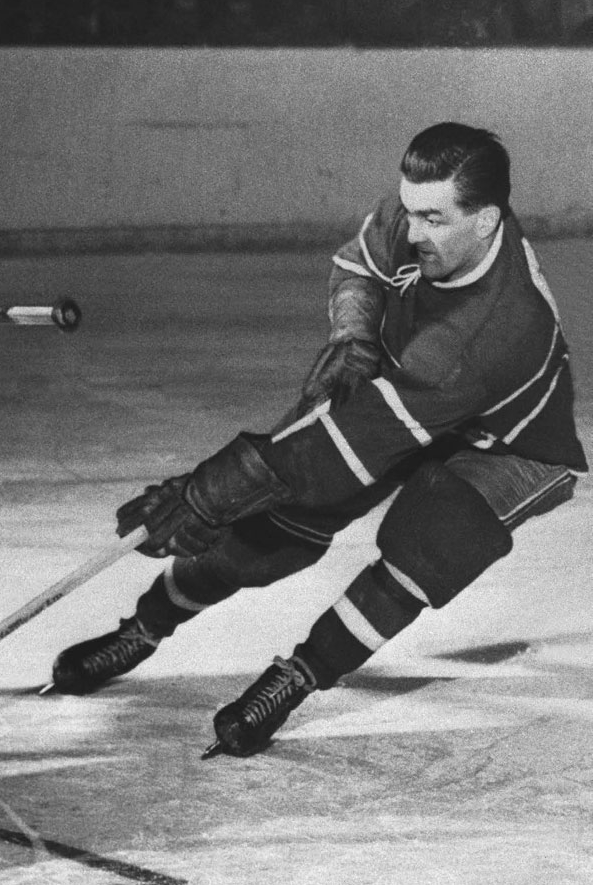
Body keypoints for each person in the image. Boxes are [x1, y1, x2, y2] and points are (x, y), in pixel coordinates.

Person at [49, 122, 587, 762]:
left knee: (425, 543)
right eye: (410, 212)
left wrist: (210, 493)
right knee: (272, 532)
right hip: (408, 389)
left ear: (488, 219)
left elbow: (341, 448)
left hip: (509, 444)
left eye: (433, 220)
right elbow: (358, 265)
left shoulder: (494, 329)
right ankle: (142, 630)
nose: (413, 233)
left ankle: (297, 676)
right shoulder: (420, 211)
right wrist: (355, 335)